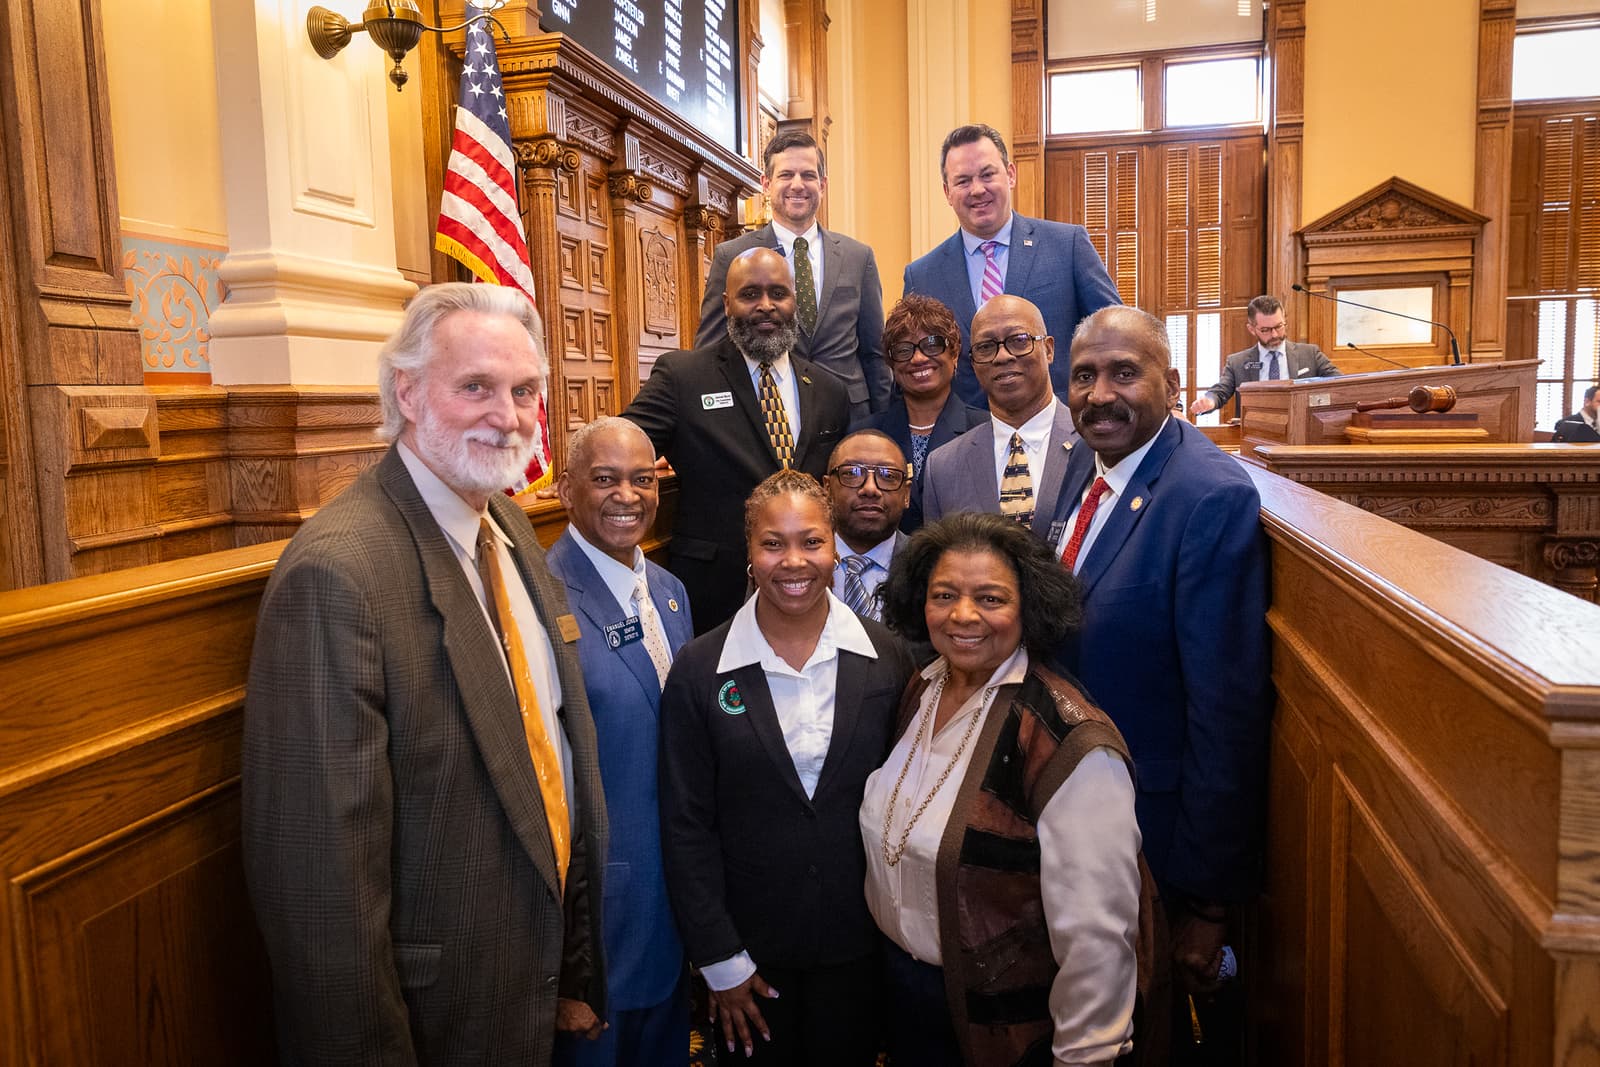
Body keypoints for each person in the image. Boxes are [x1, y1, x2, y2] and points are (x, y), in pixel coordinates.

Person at [241, 283, 607, 1064]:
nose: (506, 416)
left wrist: (568, 965)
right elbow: (322, 900)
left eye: (524, 391)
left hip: (527, 989)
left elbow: (552, 751)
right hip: (436, 1021)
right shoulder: (339, 576)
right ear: (406, 390)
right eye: (475, 386)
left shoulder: (504, 519)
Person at [1057, 305, 1271, 1045]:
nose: (1099, 393)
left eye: (1124, 372)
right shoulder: (1087, 471)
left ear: (1173, 383)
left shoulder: (1208, 495)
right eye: (1084, 375)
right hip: (1084, 822)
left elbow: (1226, 710)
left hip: (1159, 848)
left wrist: (1208, 901)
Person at [865, 511, 1149, 1065]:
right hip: (907, 1002)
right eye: (944, 594)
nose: (962, 615)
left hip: (1007, 1031)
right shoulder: (921, 689)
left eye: (991, 599)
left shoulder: (1070, 742)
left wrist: (1084, 1055)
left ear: (1030, 607)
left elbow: (1097, 937)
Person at [659, 470, 917, 1066]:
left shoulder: (887, 659)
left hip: (862, 947)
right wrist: (720, 960)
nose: (794, 561)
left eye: (811, 542)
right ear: (749, 552)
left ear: (834, 546)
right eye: (773, 543)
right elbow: (685, 824)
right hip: (748, 953)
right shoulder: (701, 670)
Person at [547, 417, 695, 1067]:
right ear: (565, 488)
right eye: (605, 479)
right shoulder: (542, 598)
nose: (627, 495)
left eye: (642, 478)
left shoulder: (669, 591)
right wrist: (562, 960)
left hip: (672, 905)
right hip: (598, 924)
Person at [625, 245, 851, 635]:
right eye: (750, 294)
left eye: (778, 293)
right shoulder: (683, 377)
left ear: (794, 301)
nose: (766, 305)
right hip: (714, 593)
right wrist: (587, 467)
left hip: (807, 590)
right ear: (727, 304)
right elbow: (625, 444)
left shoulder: (829, 390)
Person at [903, 123, 1122, 409]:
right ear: (947, 192)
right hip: (968, 439)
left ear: (1010, 174)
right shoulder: (922, 276)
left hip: (1064, 432)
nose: (977, 190)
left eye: (987, 174)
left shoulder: (1066, 245)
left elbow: (1114, 335)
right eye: (963, 181)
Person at [695, 130, 890, 420]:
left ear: (822, 185)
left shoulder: (858, 257)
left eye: (808, 175)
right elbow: (711, 352)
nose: (798, 185)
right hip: (768, 414)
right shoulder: (732, 256)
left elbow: (875, 354)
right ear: (766, 184)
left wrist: (884, 423)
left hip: (850, 417)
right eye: (786, 175)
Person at [921, 294, 1079, 542]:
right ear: (973, 364)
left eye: (1018, 340)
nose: (1003, 356)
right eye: (985, 347)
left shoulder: (1092, 444)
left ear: (1048, 349)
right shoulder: (942, 467)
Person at [851, 294, 987, 531]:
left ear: (954, 353)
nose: (918, 358)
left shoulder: (985, 430)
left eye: (932, 344)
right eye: (904, 350)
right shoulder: (864, 435)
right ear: (891, 363)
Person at [1190, 295, 1340, 418]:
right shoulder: (1237, 362)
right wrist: (1209, 401)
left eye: (1279, 327)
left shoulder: (1310, 354)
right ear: (1251, 329)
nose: (1274, 334)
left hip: (1302, 431)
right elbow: (1220, 392)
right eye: (1266, 330)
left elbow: (1340, 383)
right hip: (1256, 435)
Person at [825, 429, 911, 623]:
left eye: (888, 475)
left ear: (906, 494)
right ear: (827, 488)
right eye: (852, 473)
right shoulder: (800, 565)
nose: (870, 489)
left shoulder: (928, 566)